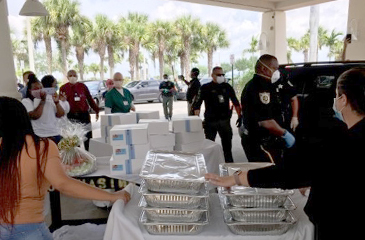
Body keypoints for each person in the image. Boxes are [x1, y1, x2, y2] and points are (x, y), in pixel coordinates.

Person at [206, 67, 365, 240]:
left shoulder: (341, 141)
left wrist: (237, 178)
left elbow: (290, 174)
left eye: (337, 95)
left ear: (343, 99)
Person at [0, 97, 131, 240]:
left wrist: (57, 167)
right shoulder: (41, 147)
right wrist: (111, 196)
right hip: (28, 229)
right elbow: (62, 184)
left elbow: (18, 172)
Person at [240, 54, 295, 163]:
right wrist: (285, 134)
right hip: (261, 142)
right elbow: (266, 122)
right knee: (268, 175)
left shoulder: (268, 85)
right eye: (275, 68)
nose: (277, 72)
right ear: (264, 69)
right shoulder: (259, 88)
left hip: (269, 140)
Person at [193, 66, 242, 163]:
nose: (221, 76)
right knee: (209, 147)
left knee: (227, 148)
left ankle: (229, 167)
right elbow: (197, 105)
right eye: (218, 75)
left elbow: (236, 103)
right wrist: (196, 120)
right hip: (210, 122)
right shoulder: (205, 88)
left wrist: (240, 117)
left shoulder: (227, 87)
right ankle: (210, 166)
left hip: (225, 121)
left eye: (222, 75)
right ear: (212, 75)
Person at [21, 75, 69, 144]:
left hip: (55, 134)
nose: (39, 90)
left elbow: (60, 114)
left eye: (41, 88)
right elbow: (35, 116)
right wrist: (42, 101)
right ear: (30, 90)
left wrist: (57, 103)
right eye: (36, 89)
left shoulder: (49, 98)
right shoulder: (27, 101)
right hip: (39, 136)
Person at [59, 70, 99, 151]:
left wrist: (96, 110)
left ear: (77, 76)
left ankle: (89, 154)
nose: (72, 77)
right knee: (74, 139)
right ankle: (78, 156)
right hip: (71, 116)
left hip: (83, 115)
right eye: (70, 75)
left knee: (88, 137)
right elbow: (60, 102)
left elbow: (89, 99)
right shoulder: (63, 88)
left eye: (74, 75)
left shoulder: (82, 86)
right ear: (67, 77)